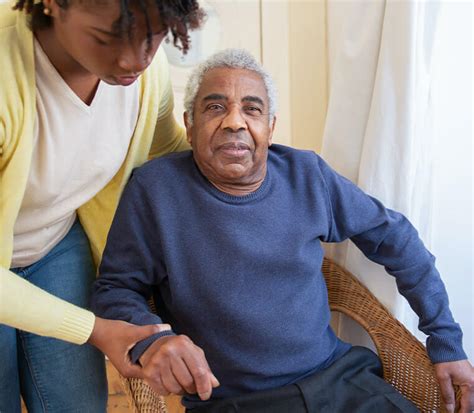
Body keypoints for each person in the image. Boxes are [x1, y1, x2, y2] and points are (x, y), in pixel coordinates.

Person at [91, 49, 474, 413]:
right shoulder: (155, 190)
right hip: (234, 401)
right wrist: (153, 340)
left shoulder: (307, 175)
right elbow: (115, 288)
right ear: (189, 125)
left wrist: (446, 340)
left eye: (252, 110)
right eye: (215, 107)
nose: (235, 122)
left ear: (270, 128)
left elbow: (396, 239)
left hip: (340, 380)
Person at [0, 0, 204, 411]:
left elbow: (167, 154)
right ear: (52, 4)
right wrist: (93, 329)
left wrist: (256, 169)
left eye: (153, 37)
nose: (134, 60)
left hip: (55, 243)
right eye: (107, 38)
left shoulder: (147, 77)